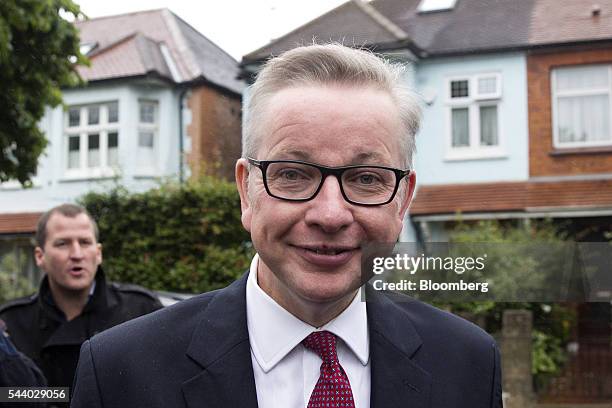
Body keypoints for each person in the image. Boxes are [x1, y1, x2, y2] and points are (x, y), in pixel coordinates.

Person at [71, 44, 502, 407]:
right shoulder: (118, 373)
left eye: (366, 179)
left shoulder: (468, 364)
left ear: (403, 200)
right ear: (246, 191)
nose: (330, 215)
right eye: (293, 174)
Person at [0, 204, 162, 399]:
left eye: (85, 242)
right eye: (62, 244)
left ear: (98, 252)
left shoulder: (142, 310)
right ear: (40, 256)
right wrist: (61, 397)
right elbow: (10, 396)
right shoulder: (12, 322)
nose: (76, 254)